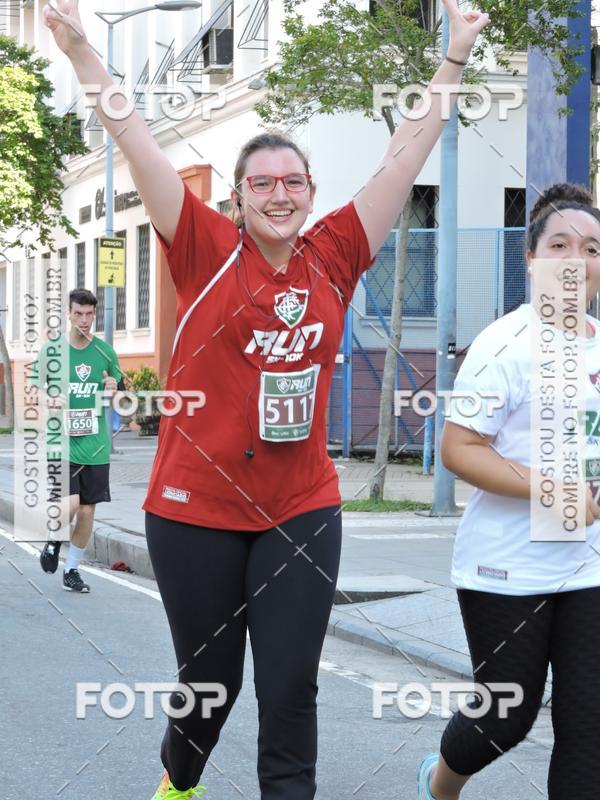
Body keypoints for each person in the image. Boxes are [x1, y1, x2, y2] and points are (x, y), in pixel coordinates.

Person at [43, 0, 490, 797]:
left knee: (291, 689)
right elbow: (133, 135)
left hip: (299, 506)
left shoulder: (337, 252)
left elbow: (403, 155)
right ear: (240, 200)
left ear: (310, 191)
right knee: (209, 690)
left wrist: (453, 56)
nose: (279, 193)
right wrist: (80, 48)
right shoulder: (201, 246)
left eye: (293, 181)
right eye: (262, 183)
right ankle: (179, 781)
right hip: (193, 510)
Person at [417, 183, 600, 800]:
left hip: (589, 565)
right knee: (505, 717)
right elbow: (458, 448)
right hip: (506, 567)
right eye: (560, 245)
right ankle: (439, 786)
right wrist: (553, 490)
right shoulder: (502, 346)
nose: (577, 260)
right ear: (531, 258)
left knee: (589, 728)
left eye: (593, 248)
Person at [33, 288, 122, 593]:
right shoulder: (53, 351)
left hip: (95, 445)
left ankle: (71, 570)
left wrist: (114, 390)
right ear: (68, 314)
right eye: (78, 314)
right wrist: (49, 398)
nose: (84, 320)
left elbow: (124, 396)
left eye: (89, 314)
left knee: (86, 511)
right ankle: (53, 539)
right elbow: (35, 387)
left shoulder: (105, 352)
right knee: (69, 504)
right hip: (62, 442)